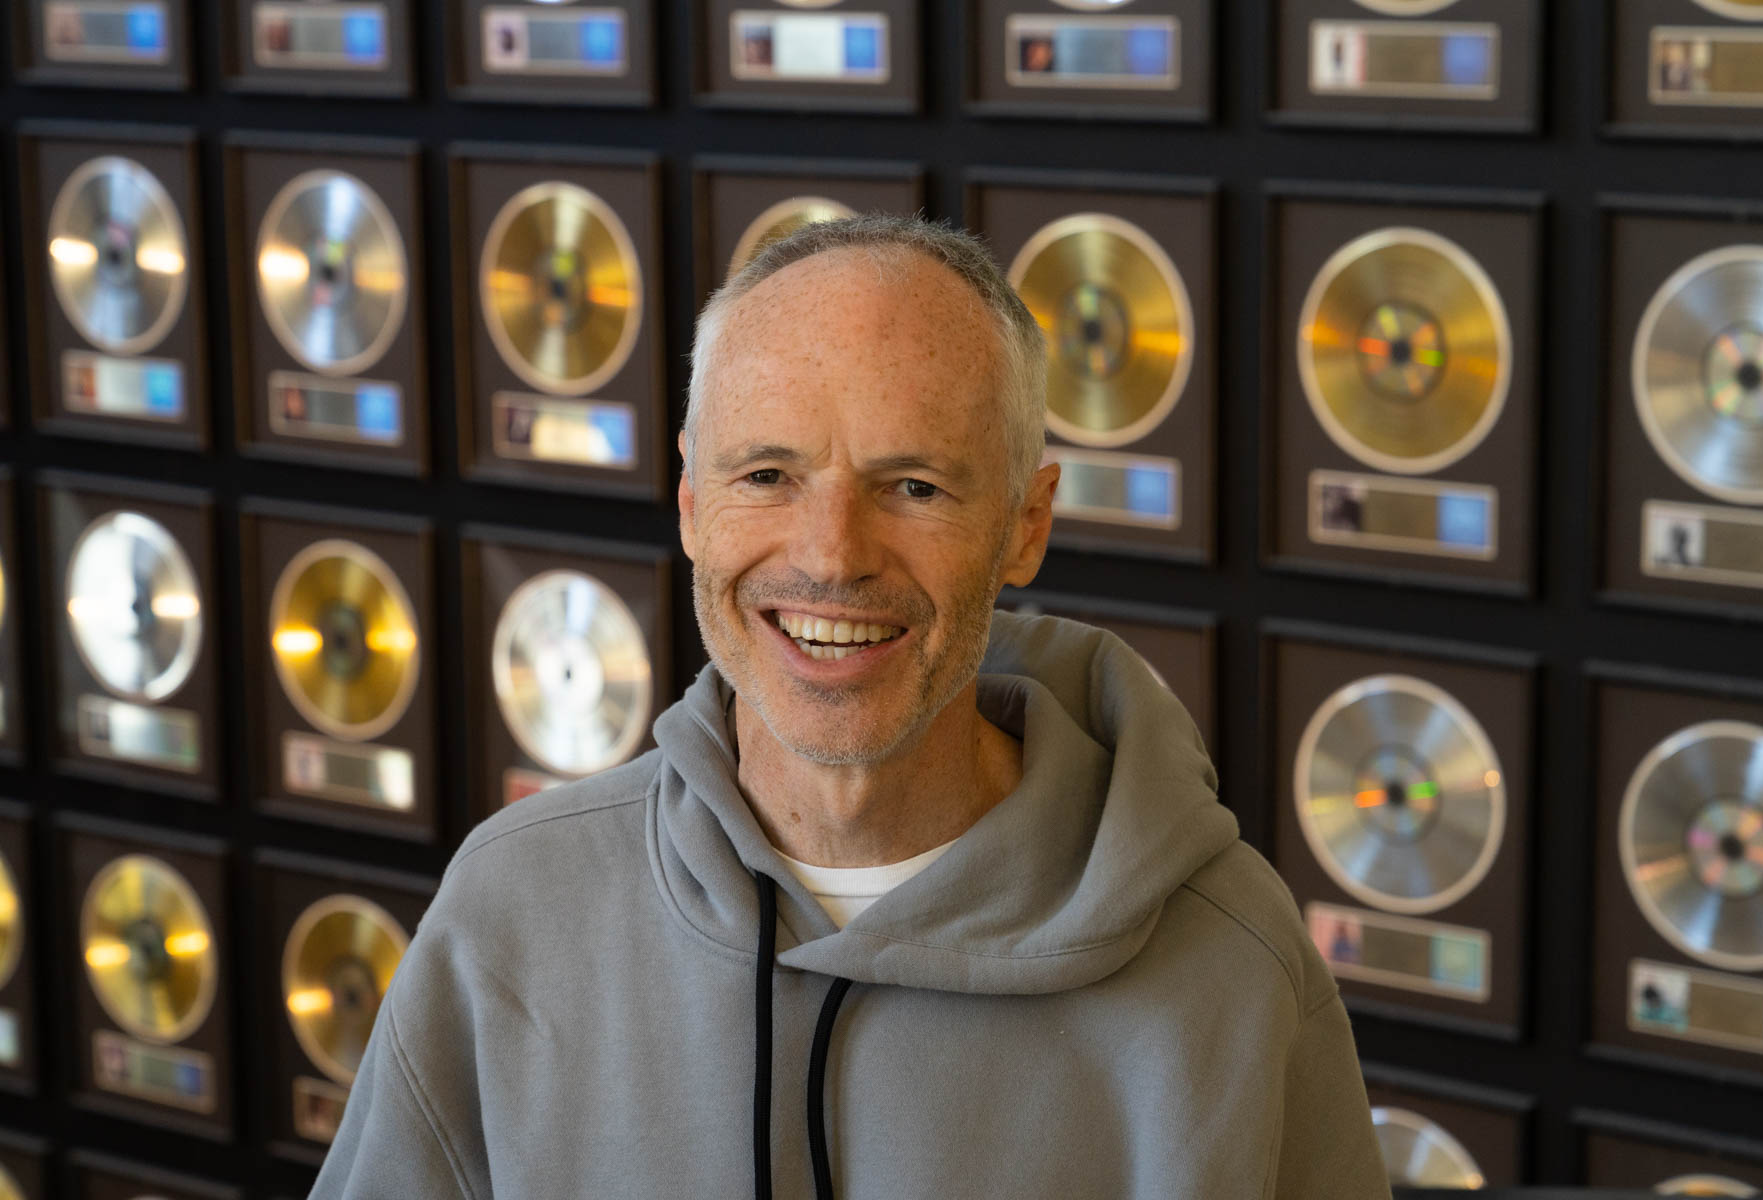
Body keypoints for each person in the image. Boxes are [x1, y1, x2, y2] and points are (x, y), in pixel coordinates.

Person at [312, 215, 1389, 1198]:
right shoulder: (512, 911)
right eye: (769, 475)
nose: (831, 556)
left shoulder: (1232, 963)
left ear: (1026, 523)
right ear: (691, 501)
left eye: (914, 486)